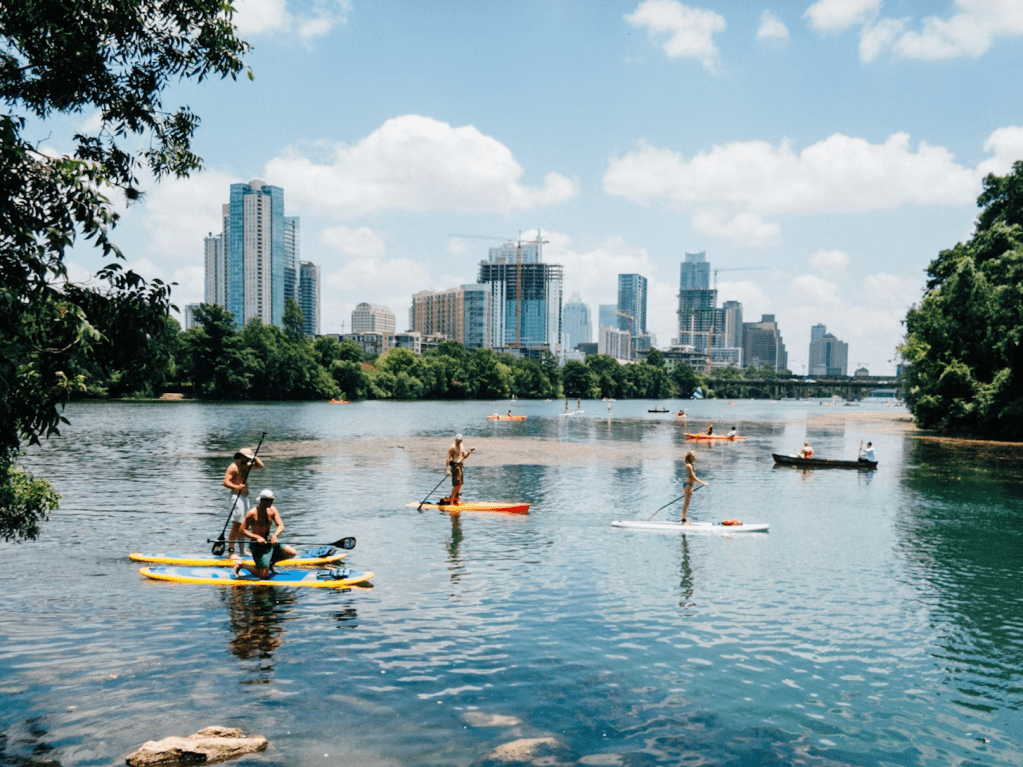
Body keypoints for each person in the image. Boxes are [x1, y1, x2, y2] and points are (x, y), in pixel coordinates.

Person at [233, 489, 297, 578]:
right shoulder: (252, 513)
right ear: (263, 501)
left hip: (269, 543)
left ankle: (269, 563)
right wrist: (257, 537)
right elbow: (242, 530)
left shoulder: (272, 510)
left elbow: (281, 526)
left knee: (292, 552)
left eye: (273, 500)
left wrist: (275, 535)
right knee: (264, 575)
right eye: (271, 500)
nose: (272, 502)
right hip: (257, 546)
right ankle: (241, 565)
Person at [222, 447, 264, 559]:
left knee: (244, 525)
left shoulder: (247, 465)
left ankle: (242, 551)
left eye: (249, 458)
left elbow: (260, 466)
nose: (248, 459)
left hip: (245, 498)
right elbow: (225, 482)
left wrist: (255, 457)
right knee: (236, 525)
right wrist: (236, 486)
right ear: (241, 456)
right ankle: (230, 553)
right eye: (246, 457)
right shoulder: (233, 467)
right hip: (236, 497)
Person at [680, 451, 708, 524]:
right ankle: (683, 520)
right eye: (693, 456)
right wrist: (703, 483)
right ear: (690, 457)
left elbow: (693, 478)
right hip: (688, 485)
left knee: (688, 503)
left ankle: (684, 519)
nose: (694, 458)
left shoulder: (691, 465)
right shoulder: (688, 466)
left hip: (690, 485)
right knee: (686, 503)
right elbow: (693, 477)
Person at [444, 434, 471, 504]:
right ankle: (451, 502)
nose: (459, 442)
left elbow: (465, 457)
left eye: (460, 440)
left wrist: (470, 452)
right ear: (455, 440)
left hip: (461, 465)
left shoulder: (462, 446)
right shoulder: (452, 447)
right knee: (457, 485)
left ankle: (456, 497)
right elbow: (447, 459)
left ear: (461, 440)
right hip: (455, 466)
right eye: (457, 440)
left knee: (461, 483)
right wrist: (447, 470)